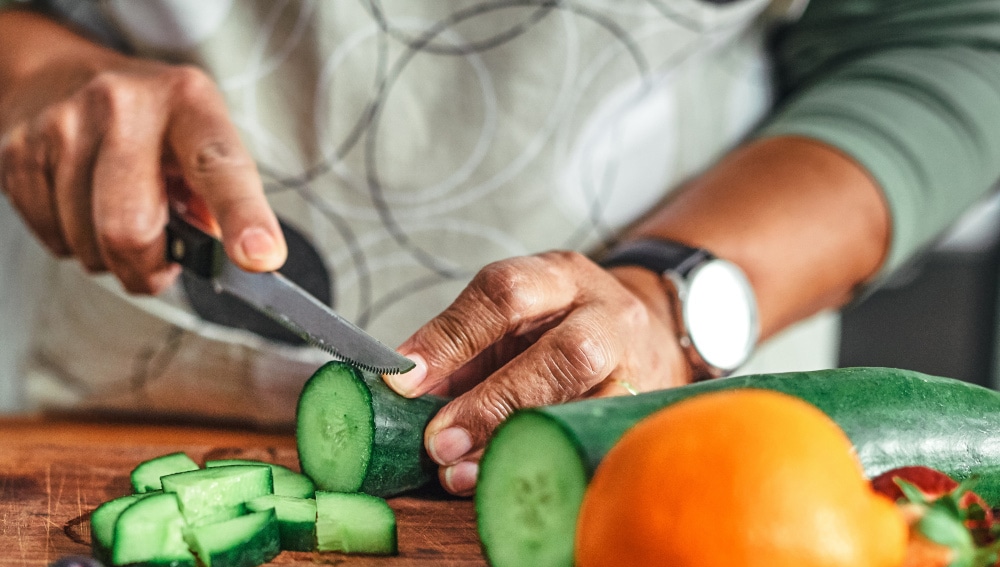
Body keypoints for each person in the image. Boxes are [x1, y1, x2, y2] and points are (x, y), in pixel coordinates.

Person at [0, 0, 998, 495]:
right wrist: (34, 68)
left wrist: (671, 301)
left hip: (684, 447)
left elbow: (949, 42)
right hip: (91, 405)